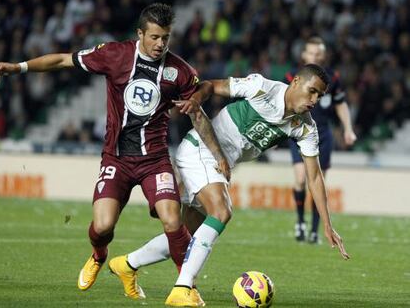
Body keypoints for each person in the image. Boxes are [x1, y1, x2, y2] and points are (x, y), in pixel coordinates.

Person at [0, 3, 230, 302]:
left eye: (166, 38)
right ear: (140, 34)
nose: (160, 44)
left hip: (155, 160)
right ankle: (98, 255)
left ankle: (186, 289)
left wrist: (218, 154)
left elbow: (198, 114)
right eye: (155, 37)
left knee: (173, 221)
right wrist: (19, 67)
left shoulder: (179, 71)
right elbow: (63, 60)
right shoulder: (115, 55)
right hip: (116, 159)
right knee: (103, 226)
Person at [110, 64, 350, 307]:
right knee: (221, 211)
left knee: (188, 235)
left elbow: (315, 177)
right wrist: (195, 100)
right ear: (296, 81)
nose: (314, 100)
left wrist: (327, 225)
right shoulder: (261, 88)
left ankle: (127, 264)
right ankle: (182, 288)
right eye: (312, 91)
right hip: (200, 149)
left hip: (217, 167)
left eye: (319, 95)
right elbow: (212, 86)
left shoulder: (306, 128)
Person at [285, 37, 357, 243]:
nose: (315, 57)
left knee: (318, 182)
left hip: (323, 135)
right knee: (300, 179)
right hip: (298, 133)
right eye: (311, 53)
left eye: (318, 54)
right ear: (304, 55)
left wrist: (348, 129)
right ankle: (300, 223)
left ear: (323, 56)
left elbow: (340, 104)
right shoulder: (293, 77)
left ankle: (315, 232)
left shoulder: (332, 78)